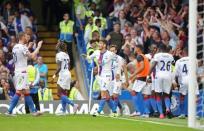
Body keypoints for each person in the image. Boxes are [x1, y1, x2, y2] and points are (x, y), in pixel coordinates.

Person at [6, 32, 43, 116]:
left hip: (19, 71)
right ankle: (9, 111)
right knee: (19, 92)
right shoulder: (22, 47)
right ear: (22, 37)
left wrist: (28, 47)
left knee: (26, 92)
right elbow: (32, 56)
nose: (27, 38)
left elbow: (22, 55)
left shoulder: (15, 46)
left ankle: (34, 111)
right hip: (22, 72)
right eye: (26, 37)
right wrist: (38, 47)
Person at [83, 39, 117, 117]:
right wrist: (86, 57)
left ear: (104, 45)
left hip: (107, 76)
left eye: (101, 43)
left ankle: (98, 111)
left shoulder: (109, 54)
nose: (99, 45)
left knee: (103, 94)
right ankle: (114, 111)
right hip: (100, 76)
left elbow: (102, 63)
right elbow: (89, 57)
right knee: (107, 96)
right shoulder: (97, 52)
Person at [51, 41, 78, 116]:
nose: (56, 46)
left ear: (59, 47)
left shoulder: (58, 55)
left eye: (57, 45)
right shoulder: (66, 55)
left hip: (63, 74)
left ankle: (73, 105)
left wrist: (54, 76)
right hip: (67, 73)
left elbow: (59, 67)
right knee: (63, 93)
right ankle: (63, 111)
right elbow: (69, 66)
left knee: (59, 93)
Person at [148, 44, 174, 119]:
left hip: (159, 76)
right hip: (168, 76)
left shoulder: (158, 55)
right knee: (166, 95)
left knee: (158, 95)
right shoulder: (170, 56)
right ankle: (168, 108)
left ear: (159, 49)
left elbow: (153, 65)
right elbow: (173, 66)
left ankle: (161, 114)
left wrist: (148, 75)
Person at [174, 48, 199, 118]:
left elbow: (176, 74)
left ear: (183, 52)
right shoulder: (195, 60)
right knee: (194, 96)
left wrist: (177, 82)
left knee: (182, 96)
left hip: (184, 79)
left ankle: (182, 113)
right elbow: (196, 72)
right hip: (192, 79)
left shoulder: (179, 61)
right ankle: (195, 114)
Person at [129, 44, 150, 117]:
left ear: (138, 49)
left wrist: (133, 75)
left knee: (133, 92)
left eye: (135, 48)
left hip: (141, 77)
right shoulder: (145, 57)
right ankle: (146, 113)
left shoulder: (139, 56)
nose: (134, 49)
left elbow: (142, 67)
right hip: (146, 78)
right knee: (145, 96)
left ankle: (137, 111)